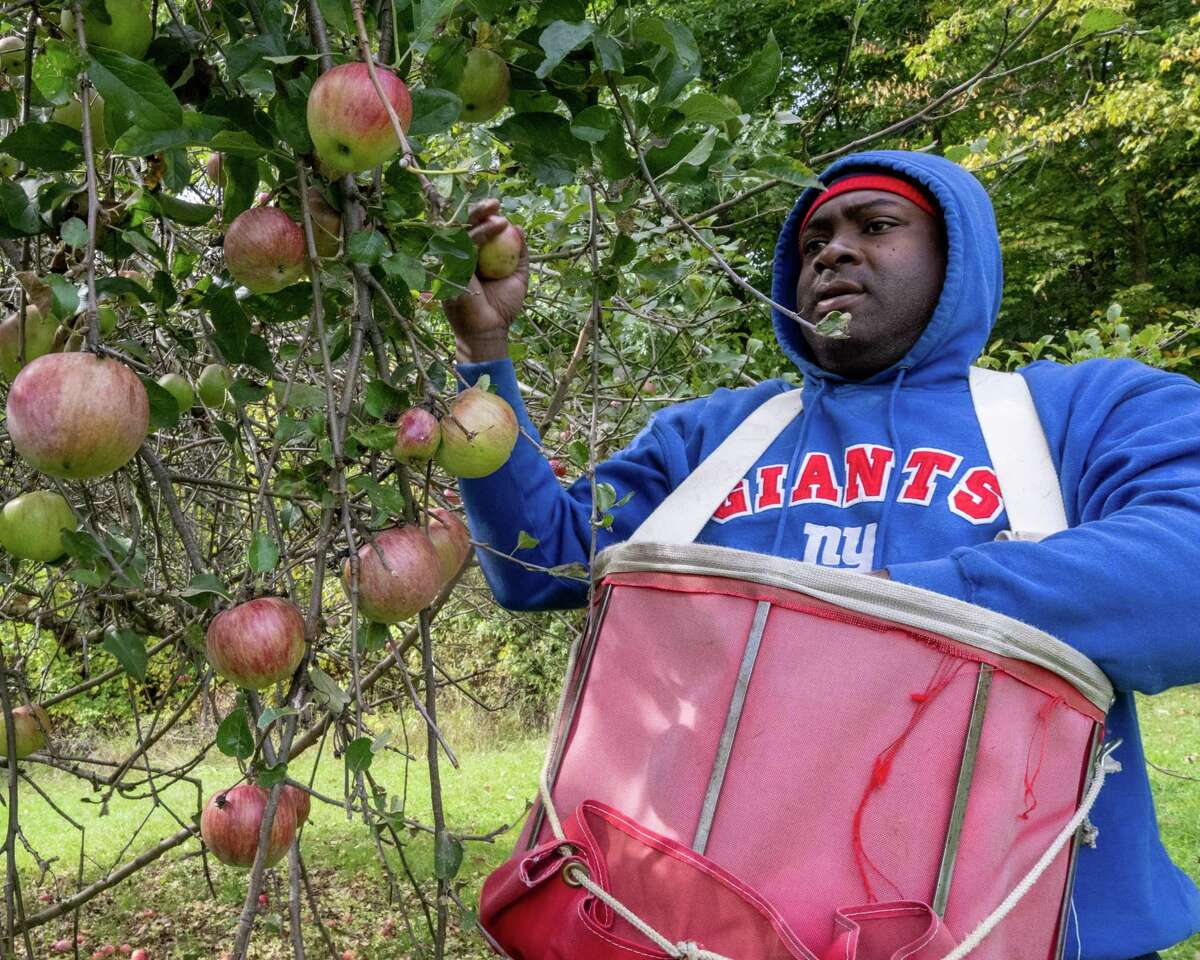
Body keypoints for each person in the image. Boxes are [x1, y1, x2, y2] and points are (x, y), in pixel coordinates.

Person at [445, 149, 1200, 959]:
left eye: (877, 226)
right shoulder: (710, 439)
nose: (834, 251)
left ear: (957, 258)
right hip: (699, 936)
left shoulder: (1086, 411)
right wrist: (485, 353)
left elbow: (1181, 571)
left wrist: (874, 606)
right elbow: (538, 561)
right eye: (813, 244)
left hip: (1028, 936)